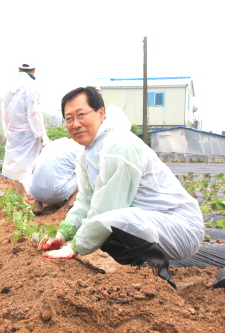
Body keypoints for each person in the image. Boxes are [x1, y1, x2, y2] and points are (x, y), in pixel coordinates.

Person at [38, 87, 205, 289]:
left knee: (111, 219)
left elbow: (107, 207)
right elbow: (86, 201)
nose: (75, 124)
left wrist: (74, 247)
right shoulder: (88, 153)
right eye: (69, 118)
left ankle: (159, 281)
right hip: (150, 220)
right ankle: (139, 270)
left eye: (81, 115)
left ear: (101, 113)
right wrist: (64, 234)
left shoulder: (118, 146)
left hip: (180, 227)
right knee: (101, 221)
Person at [1, 63, 50, 195]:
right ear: (34, 70)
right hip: (27, 133)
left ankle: (20, 196)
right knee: (28, 167)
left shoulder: (10, 86)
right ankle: (29, 197)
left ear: (19, 69)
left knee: (19, 167)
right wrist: (42, 134)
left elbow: (4, 112)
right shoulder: (31, 85)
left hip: (13, 133)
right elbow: (34, 112)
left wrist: (7, 132)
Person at [20, 137, 83, 214]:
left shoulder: (53, 144)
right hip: (57, 194)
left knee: (41, 172)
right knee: (84, 173)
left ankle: (37, 202)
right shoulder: (80, 148)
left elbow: (34, 167)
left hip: (34, 191)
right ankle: (69, 204)